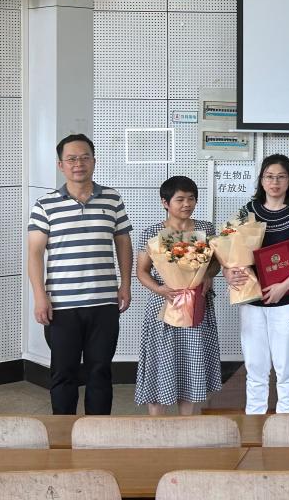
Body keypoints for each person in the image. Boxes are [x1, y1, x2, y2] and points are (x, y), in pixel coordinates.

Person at [26, 134, 133, 414]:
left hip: (104, 303)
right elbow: (35, 253)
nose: (78, 164)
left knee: (100, 372)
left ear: (94, 161)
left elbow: (123, 243)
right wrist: (40, 296)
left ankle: (97, 433)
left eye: (85, 157)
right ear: (60, 165)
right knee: (63, 373)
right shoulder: (45, 205)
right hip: (62, 305)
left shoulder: (112, 199)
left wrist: (125, 285)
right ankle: (63, 433)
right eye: (71, 159)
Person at [224, 154, 289, 414]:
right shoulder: (247, 212)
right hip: (252, 302)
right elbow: (229, 252)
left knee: (286, 368)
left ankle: (285, 424)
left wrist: (283, 287)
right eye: (269, 177)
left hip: (287, 302)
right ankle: (254, 422)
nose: (274, 182)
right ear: (261, 180)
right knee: (255, 368)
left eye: (281, 177)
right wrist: (228, 272)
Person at [134, 176, 221, 414]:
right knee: (160, 363)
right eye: (180, 199)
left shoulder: (206, 229)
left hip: (196, 305)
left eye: (191, 198)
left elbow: (216, 263)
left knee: (191, 365)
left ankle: (187, 425)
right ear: (165, 202)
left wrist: (207, 276)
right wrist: (160, 289)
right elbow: (141, 272)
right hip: (164, 306)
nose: (187, 204)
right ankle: (157, 427)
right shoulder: (152, 233)